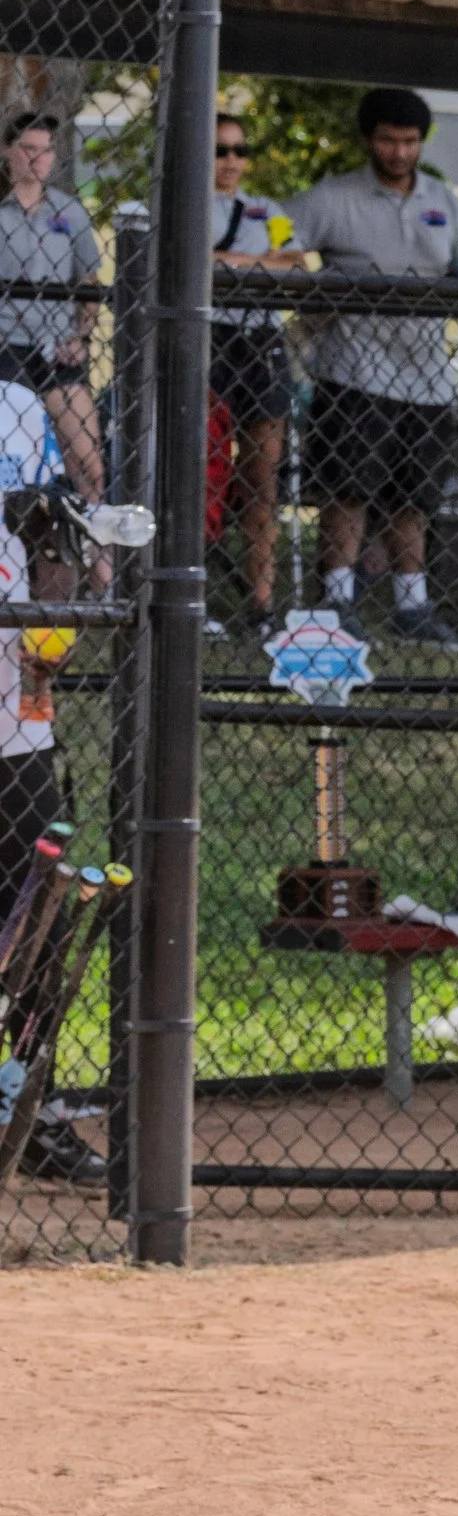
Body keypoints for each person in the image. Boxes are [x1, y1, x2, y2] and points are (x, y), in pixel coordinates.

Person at [281, 86, 458, 648]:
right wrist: (302, 273)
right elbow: (274, 225)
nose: (399, 153)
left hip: (426, 375)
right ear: (370, 140)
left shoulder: (443, 201)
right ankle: (337, 598)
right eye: (389, 141)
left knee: (413, 495)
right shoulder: (334, 197)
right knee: (347, 487)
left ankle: (412, 606)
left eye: (410, 142)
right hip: (354, 370)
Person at [0, 387, 106, 1187]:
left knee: (39, 927)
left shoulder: (18, 405)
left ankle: (24, 1110)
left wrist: (55, 549)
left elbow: (49, 590)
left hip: (16, 728)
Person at [208, 112, 295, 632]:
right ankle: (194, 594)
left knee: (263, 476)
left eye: (240, 150)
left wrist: (230, 262)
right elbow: (191, 262)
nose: (231, 161)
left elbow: (298, 261)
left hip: (260, 341)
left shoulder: (268, 210)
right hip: (209, 338)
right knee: (203, 469)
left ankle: (261, 603)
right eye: (220, 150)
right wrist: (260, 263)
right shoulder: (186, 205)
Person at [0, 115, 104, 500]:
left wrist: (82, 337)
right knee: (12, 466)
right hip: (6, 344)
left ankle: (99, 555)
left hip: (56, 346)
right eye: (28, 148)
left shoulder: (69, 211)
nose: (37, 159)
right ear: (7, 150)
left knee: (89, 465)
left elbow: (89, 283)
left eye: (45, 151)